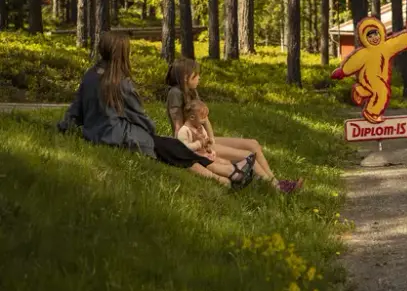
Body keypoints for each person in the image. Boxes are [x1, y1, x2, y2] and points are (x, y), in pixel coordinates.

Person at [58, 31, 255, 189]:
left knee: (172, 148)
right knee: (171, 148)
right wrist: (150, 132)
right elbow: (138, 116)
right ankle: (229, 173)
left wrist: (64, 126)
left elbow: (76, 108)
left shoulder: (90, 75)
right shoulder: (121, 82)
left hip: (96, 134)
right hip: (121, 137)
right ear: (121, 53)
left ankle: (226, 176)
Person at [166, 58, 303, 193]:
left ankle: (274, 182)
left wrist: (211, 139)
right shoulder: (175, 93)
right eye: (196, 75)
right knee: (249, 155)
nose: (199, 78)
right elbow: (177, 126)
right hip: (192, 144)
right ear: (185, 77)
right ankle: (277, 189)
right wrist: (185, 150)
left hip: (204, 140)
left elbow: (205, 119)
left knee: (253, 144)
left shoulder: (192, 91)